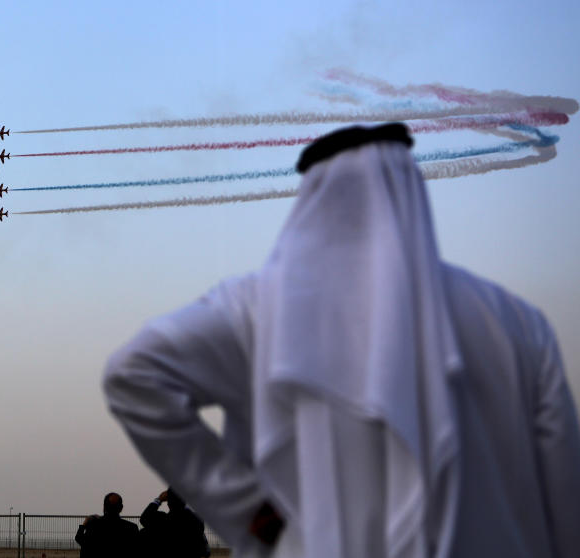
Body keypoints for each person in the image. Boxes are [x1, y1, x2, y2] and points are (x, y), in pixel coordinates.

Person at [104, 123, 580, 557]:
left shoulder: (254, 309)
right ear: (407, 189)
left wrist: (251, 513)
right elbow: (565, 499)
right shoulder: (516, 321)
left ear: (312, 198)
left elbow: (132, 374)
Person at [139, 488, 206, 558]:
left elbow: (144, 518)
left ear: (168, 504)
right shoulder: (197, 520)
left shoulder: (162, 520)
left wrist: (159, 500)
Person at [73, 492, 138, 558]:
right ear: (121, 508)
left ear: (104, 507)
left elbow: (79, 538)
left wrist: (85, 523)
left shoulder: (94, 525)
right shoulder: (132, 528)